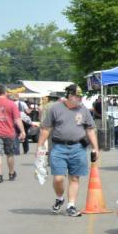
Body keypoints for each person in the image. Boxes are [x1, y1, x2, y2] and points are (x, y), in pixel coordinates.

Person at [40, 84, 99, 217]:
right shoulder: (56, 108)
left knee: (75, 177)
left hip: (78, 147)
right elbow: (46, 129)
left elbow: (90, 129)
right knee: (58, 178)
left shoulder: (83, 110)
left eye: (81, 96)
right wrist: (40, 147)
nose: (80, 98)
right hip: (59, 147)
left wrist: (95, 148)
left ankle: (71, 205)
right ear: (69, 96)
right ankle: (59, 198)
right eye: (77, 96)